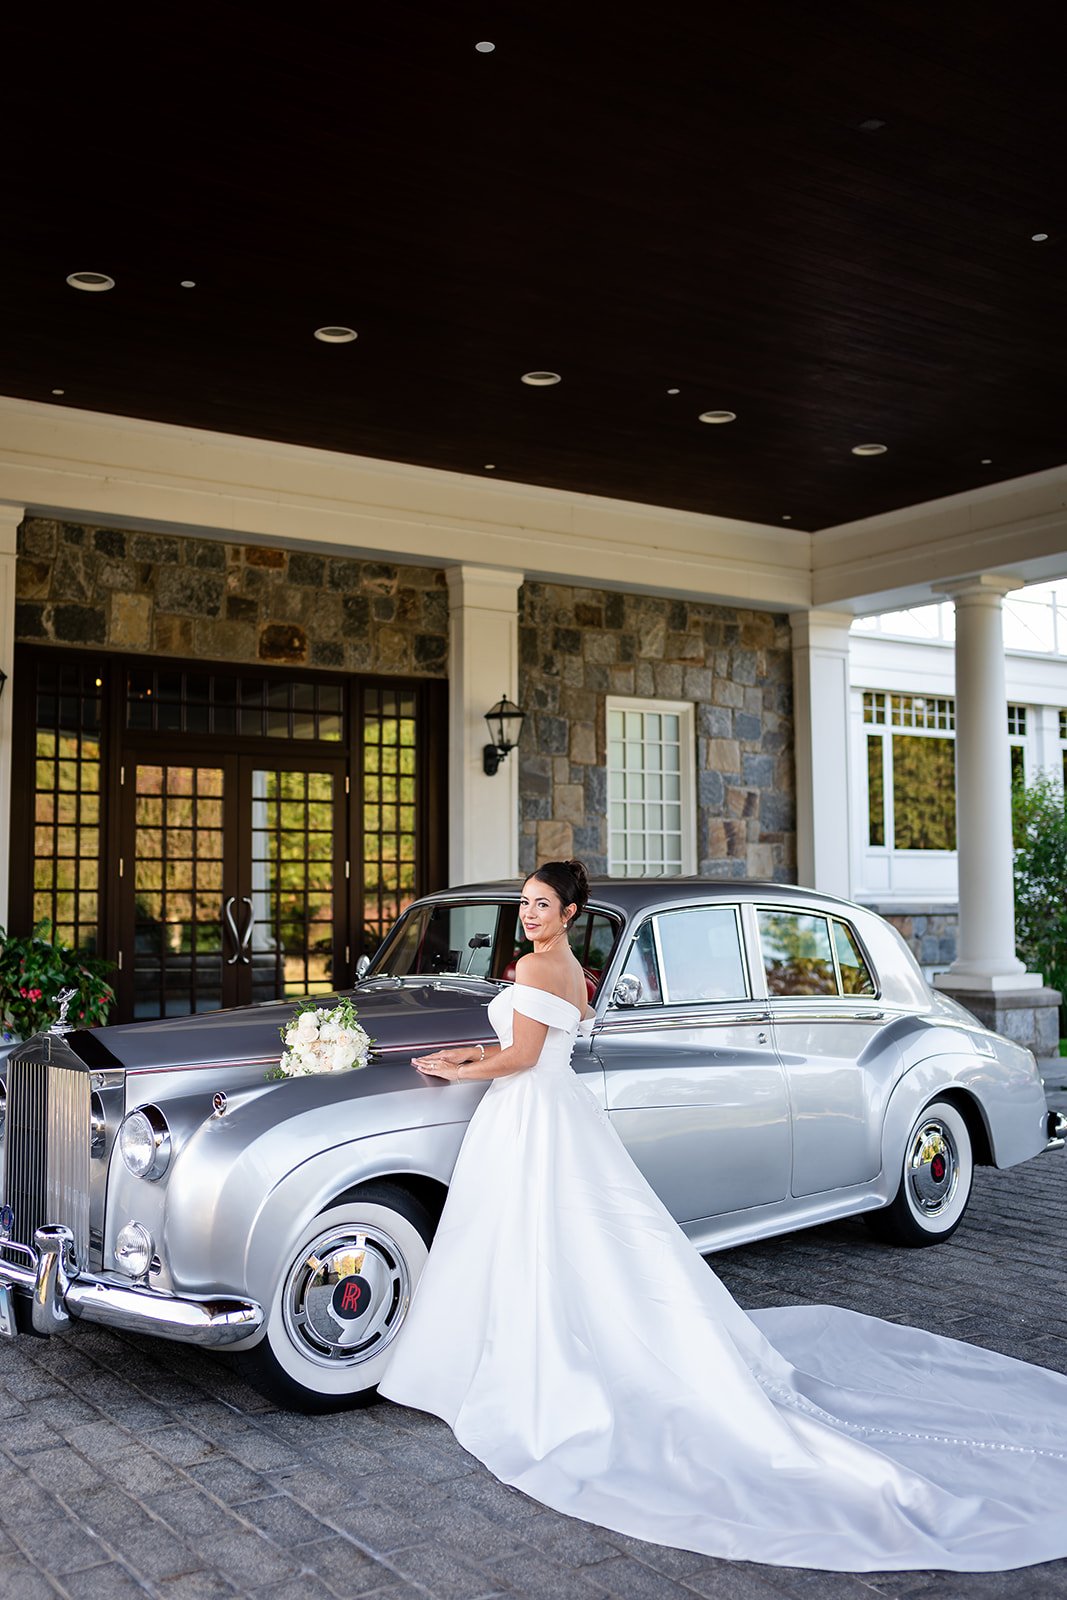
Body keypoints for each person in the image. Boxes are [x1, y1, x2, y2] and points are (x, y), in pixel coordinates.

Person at [379, 859, 1067, 1573]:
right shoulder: (570, 970)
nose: (528, 913)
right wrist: (472, 1051)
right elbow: (550, 1033)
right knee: (571, 1239)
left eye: (540, 904)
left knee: (549, 1237)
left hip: (532, 1107)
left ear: (569, 911)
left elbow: (523, 1054)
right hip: (544, 1109)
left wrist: (460, 1068)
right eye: (523, 902)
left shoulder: (533, 968)